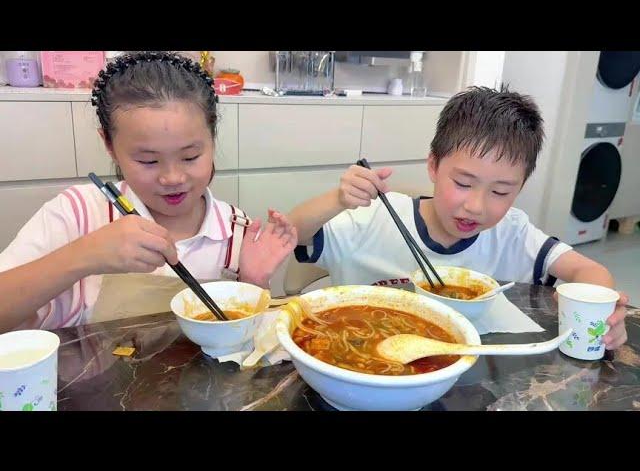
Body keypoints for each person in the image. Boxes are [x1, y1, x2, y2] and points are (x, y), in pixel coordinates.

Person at [289, 86, 627, 350]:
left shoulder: (512, 233)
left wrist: (600, 313)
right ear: (434, 165)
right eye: (463, 183)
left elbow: (589, 270)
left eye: (500, 192)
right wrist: (338, 199)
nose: (476, 206)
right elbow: (296, 232)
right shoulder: (376, 217)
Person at [0, 51, 297, 332]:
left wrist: (253, 282)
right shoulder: (77, 213)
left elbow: (245, 347)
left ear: (212, 137)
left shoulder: (235, 230)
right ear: (109, 145)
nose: (172, 177)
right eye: (148, 160)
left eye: (190, 156)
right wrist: (84, 256)